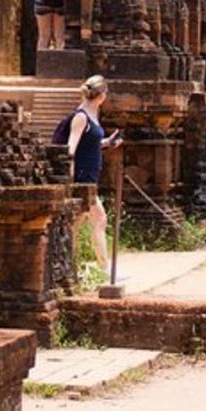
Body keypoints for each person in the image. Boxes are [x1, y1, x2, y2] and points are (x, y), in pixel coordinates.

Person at [66, 74, 122, 272]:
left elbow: (88, 144)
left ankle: (69, 267)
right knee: (98, 220)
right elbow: (70, 149)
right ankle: (103, 269)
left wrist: (106, 142)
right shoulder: (81, 116)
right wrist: (71, 180)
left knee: (77, 224)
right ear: (102, 95)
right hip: (81, 178)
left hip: (89, 176)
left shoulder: (92, 115)